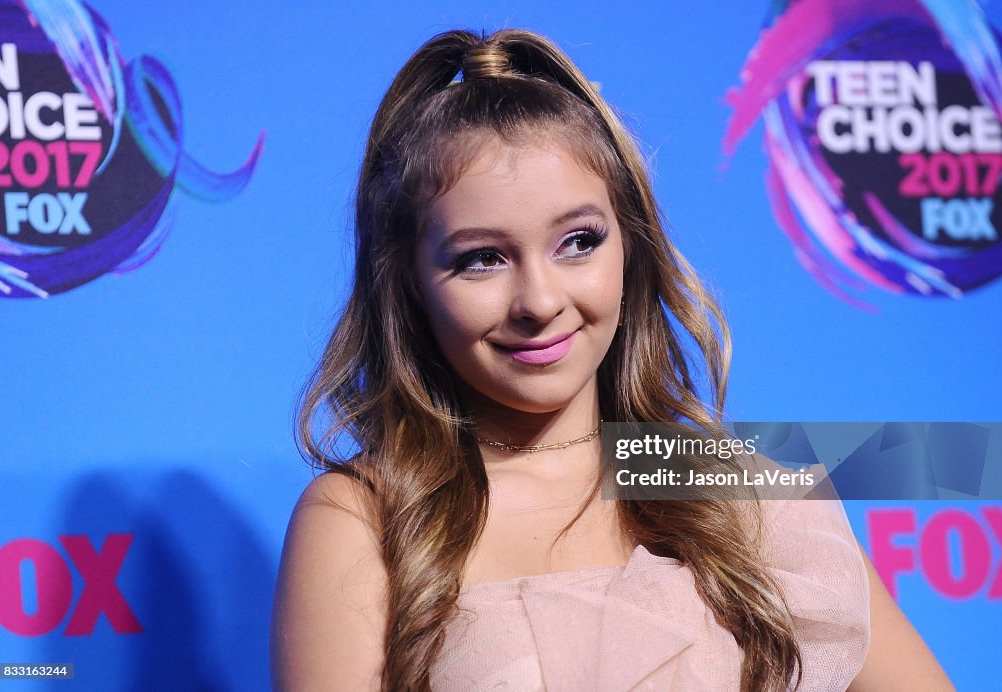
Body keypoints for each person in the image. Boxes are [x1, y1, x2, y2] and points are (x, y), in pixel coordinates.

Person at [271, 28, 953, 691]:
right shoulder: (362, 519)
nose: (539, 299)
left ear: (631, 247)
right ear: (410, 284)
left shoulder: (744, 496)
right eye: (483, 258)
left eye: (578, 242)